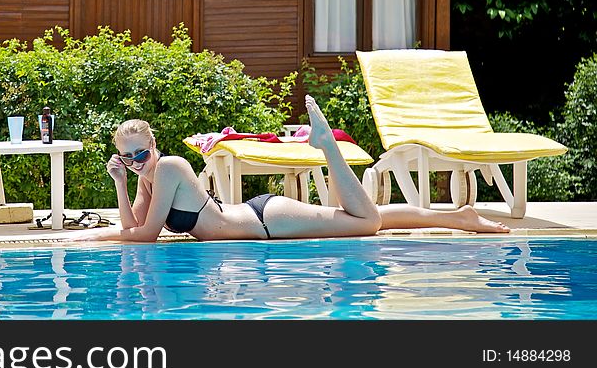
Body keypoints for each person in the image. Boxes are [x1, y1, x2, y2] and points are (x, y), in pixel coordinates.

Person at [71, 95, 510, 242]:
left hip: (266, 221)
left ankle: (326, 148)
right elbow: (134, 226)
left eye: (140, 153)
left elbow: (142, 236)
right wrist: (122, 184)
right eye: (127, 157)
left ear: (153, 144)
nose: (135, 161)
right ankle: (460, 218)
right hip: (257, 218)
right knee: (366, 220)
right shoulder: (147, 177)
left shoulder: (169, 168)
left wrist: (89, 235)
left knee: (367, 223)